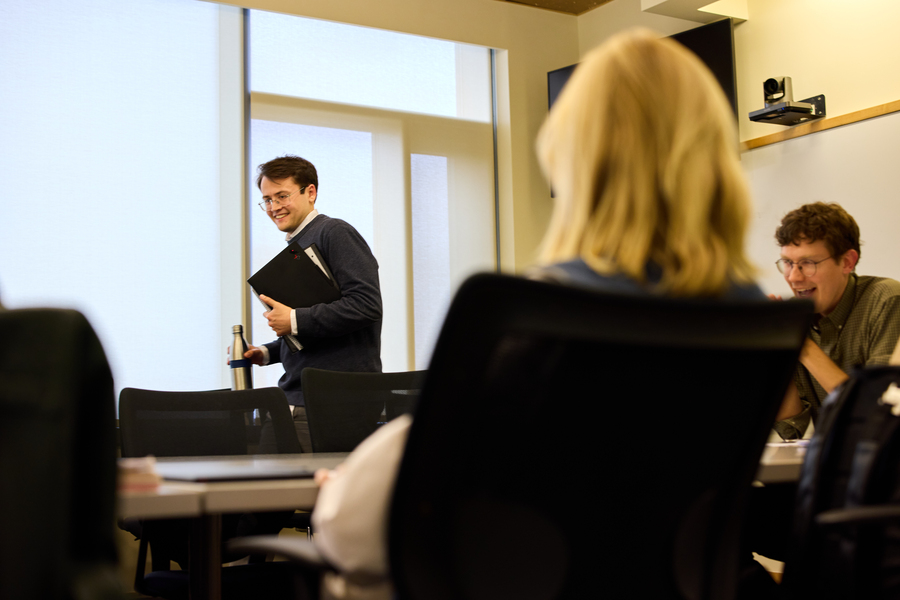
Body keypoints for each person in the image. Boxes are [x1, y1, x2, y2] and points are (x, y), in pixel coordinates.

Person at [311, 27, 768, 600]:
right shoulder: (752, 321)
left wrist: (342, 495)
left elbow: (354, 536)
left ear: (572, 159)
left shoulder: (535, 316)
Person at [240, 155, 383, 452]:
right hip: (298, 396)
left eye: (282, 196)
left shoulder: (334, 233)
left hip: (331, 402)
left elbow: (366, 305)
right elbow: (320, 326)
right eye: (266, 199)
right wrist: (265, 353)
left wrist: (293, 319)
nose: (273, 207)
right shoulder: (297, 244)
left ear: (310, 192)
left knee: (303, 497)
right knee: (266, 494)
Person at [771, 202, 900, 439]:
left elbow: (875, 410)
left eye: (808, 263)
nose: (793, 277)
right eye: (788, 263)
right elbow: (791, 427)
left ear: (847, 262)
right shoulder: (796, 315)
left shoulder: (887, 299)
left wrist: (802, 344)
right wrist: (779, 352)